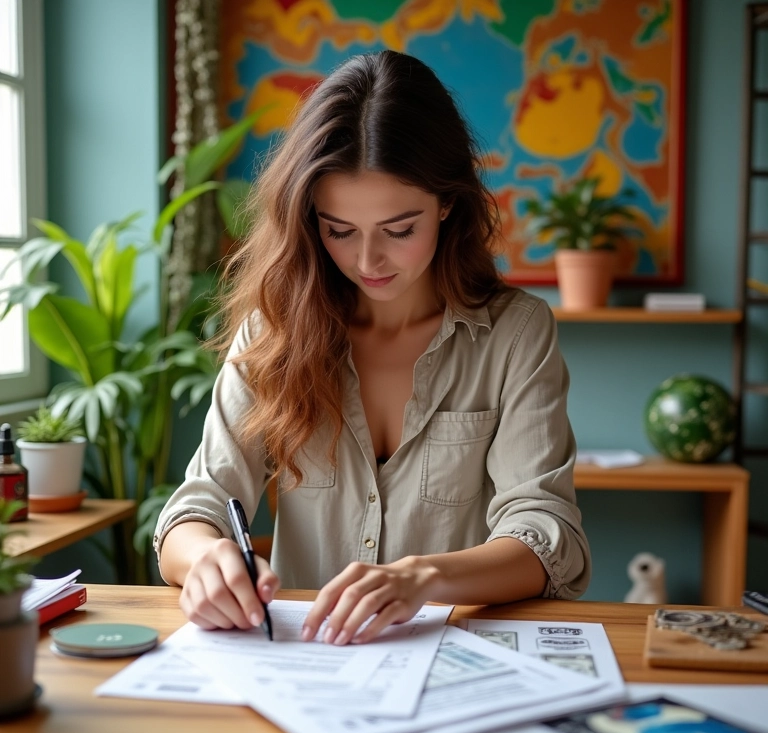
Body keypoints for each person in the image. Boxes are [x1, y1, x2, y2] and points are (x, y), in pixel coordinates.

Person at [154, 49, 591, 645]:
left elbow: (546, 534)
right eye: (339, 231)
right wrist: (205, 560)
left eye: (399, 230)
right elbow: (195, 509)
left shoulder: (516, 334)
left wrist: (423, 577)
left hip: (452, 663)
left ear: (447, 204)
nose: (366, 261)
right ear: (310, 220)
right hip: (300, 666)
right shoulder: (272, 333)